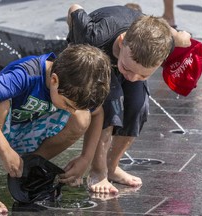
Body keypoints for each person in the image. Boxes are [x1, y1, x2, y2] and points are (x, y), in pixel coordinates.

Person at [0, 44, 111, 213]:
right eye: (68, 105)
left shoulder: (72, 88)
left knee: (82, 117)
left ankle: (30, 166)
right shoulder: (28, 74)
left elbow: (97, 113)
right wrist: (5, 150)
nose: (69, 110)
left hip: (23, 132)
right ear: (54, 80)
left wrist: (86, 158)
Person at [67, 4, 191, 194]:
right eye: (129, 69)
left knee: (138, 107)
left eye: (143, 75)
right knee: (111, 106)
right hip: (99, 56)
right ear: (123, 41)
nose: (132, 78)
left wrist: (183, 37)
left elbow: (170, 33)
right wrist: (74, 38)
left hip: (125, 49)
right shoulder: (95, 36)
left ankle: (112, 166)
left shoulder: (166, 44)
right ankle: (98, 171)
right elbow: (75, 7)